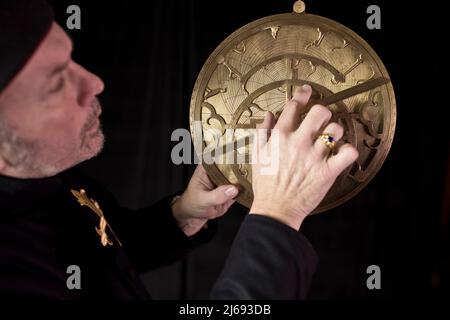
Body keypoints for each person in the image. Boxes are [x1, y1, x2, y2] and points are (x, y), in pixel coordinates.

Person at [0, 0, 358, 299]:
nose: (94, 83)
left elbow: (99, 255)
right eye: (56, 82)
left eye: (71, 60)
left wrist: (181, 217)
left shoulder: (37, 173)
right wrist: (278, 217)